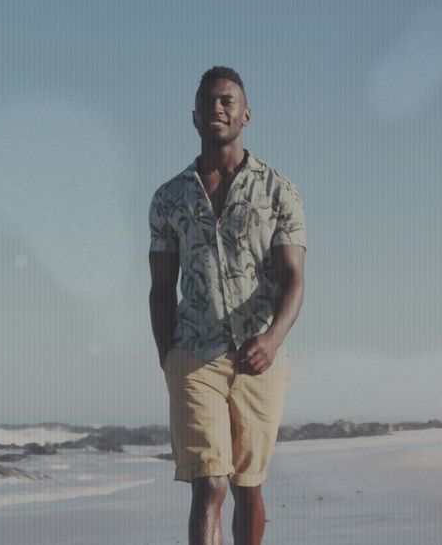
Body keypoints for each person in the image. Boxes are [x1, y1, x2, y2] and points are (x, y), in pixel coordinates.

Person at [148, 66, 307, 545]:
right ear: (194, 117)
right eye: (208, 103)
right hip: (194, 353)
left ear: (245, 115)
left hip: (260, 357)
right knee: (209, 482)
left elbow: (294, 280)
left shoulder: (279, 191)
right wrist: (169, 359)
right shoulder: (168, 199)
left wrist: (272, 339)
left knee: (248, 486)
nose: (217, 109)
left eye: (227, 101)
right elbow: (161, 288)